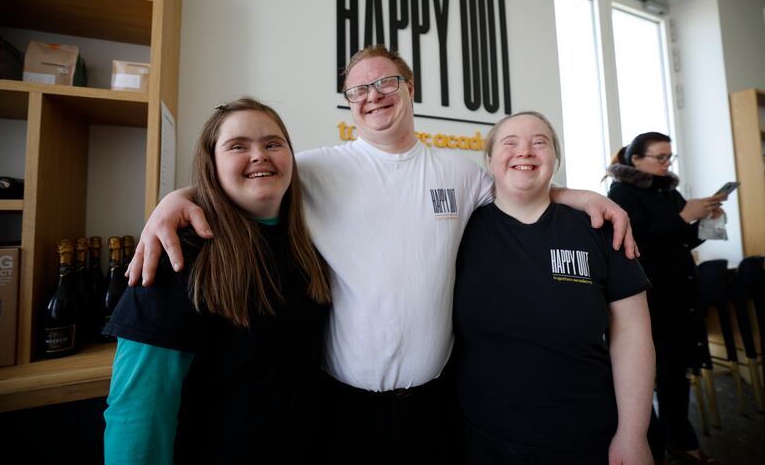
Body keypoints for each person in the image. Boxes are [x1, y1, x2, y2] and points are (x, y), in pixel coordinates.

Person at [128, 46, 637, 464]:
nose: (373, 96)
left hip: (434, 402)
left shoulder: (458, 174)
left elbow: (519, 187)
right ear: (349, 102)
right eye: (358, 89)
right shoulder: (315, 169)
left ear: (409, 89)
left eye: (386, 83)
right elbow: (248, 179)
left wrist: (583, 197)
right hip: (340, 405)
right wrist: (175, 201)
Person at [103, 98, 331, 464]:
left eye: (273, 143)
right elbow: (138, 409)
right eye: (238, 146)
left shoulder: (311, 244)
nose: (259, 155)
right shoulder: (177, 253)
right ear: (212, 165)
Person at [453, 112, 655, 465]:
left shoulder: (600, 227)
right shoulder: (459, 233)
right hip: (484, 438)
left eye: (539, 142)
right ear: (489, 161)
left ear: (555, 159)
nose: (525, 151)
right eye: (510, 142)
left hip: (586, 437)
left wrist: (633, 434)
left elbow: (634, 336)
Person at [606, 132, 726, 465]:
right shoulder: (621, 192)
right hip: (650, 296)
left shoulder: (669, 191)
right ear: (635, 160)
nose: (666, 164)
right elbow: (638, 242)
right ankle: (657, 443)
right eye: (660, 157)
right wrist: (684, 217)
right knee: (651, 375)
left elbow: (683, 242)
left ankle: (679, 439)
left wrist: (706, 222)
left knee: (677, 372)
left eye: (669, 157)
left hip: (681, 291)